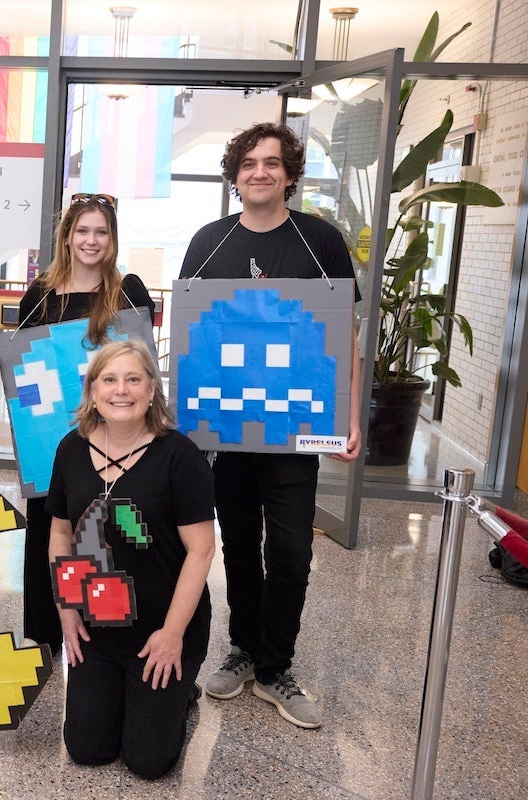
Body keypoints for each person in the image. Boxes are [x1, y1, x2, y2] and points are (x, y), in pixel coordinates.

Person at [179, 122, 362, 730]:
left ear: (290, 173)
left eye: (273, 163)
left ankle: (276, 665)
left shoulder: (320, 242)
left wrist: (349, 413)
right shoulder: (208, 241)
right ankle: (242, 648)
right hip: (227, 432)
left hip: (293, 430)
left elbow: (345, 337)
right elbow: (191, 338)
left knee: (289, 549)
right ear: (235, 175)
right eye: (250, 163)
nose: (261, 172)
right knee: (237, 545)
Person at [47, 339, 215, 780]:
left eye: (133, 379)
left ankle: (181, 693)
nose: (122, 390)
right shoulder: (70, 449)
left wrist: (173, 634)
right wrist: (67, 610)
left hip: (162, 627)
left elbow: (202, 551)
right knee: (86, 749)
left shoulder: (180, 457)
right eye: (110, 379)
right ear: (93, 390)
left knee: (148, 762)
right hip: (98, 626)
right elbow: (61, 533)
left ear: (152, 389)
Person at [17, 193, 155, 655]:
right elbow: (23, 372)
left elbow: (140, 367)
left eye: (101, 232)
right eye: (82, 231)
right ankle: (44, 633)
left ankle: (109, 632)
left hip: (114, 440)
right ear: (67, 236)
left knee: (108, 533)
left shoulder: (129, 292)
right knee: (47, 533)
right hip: (52, 446)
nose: (91, 240)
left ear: (112, 240)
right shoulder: (38, 296)